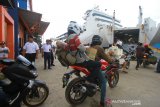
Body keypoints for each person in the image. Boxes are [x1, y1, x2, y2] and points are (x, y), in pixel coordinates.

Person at [65, 21, 107, 107]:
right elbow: (80, 47)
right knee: (98, 65)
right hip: (81, 60)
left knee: (94, 64)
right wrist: (85, 48)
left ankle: (88, 80)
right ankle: (89, 80)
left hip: (75, 60)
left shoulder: (68, 38)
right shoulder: (75, 36)